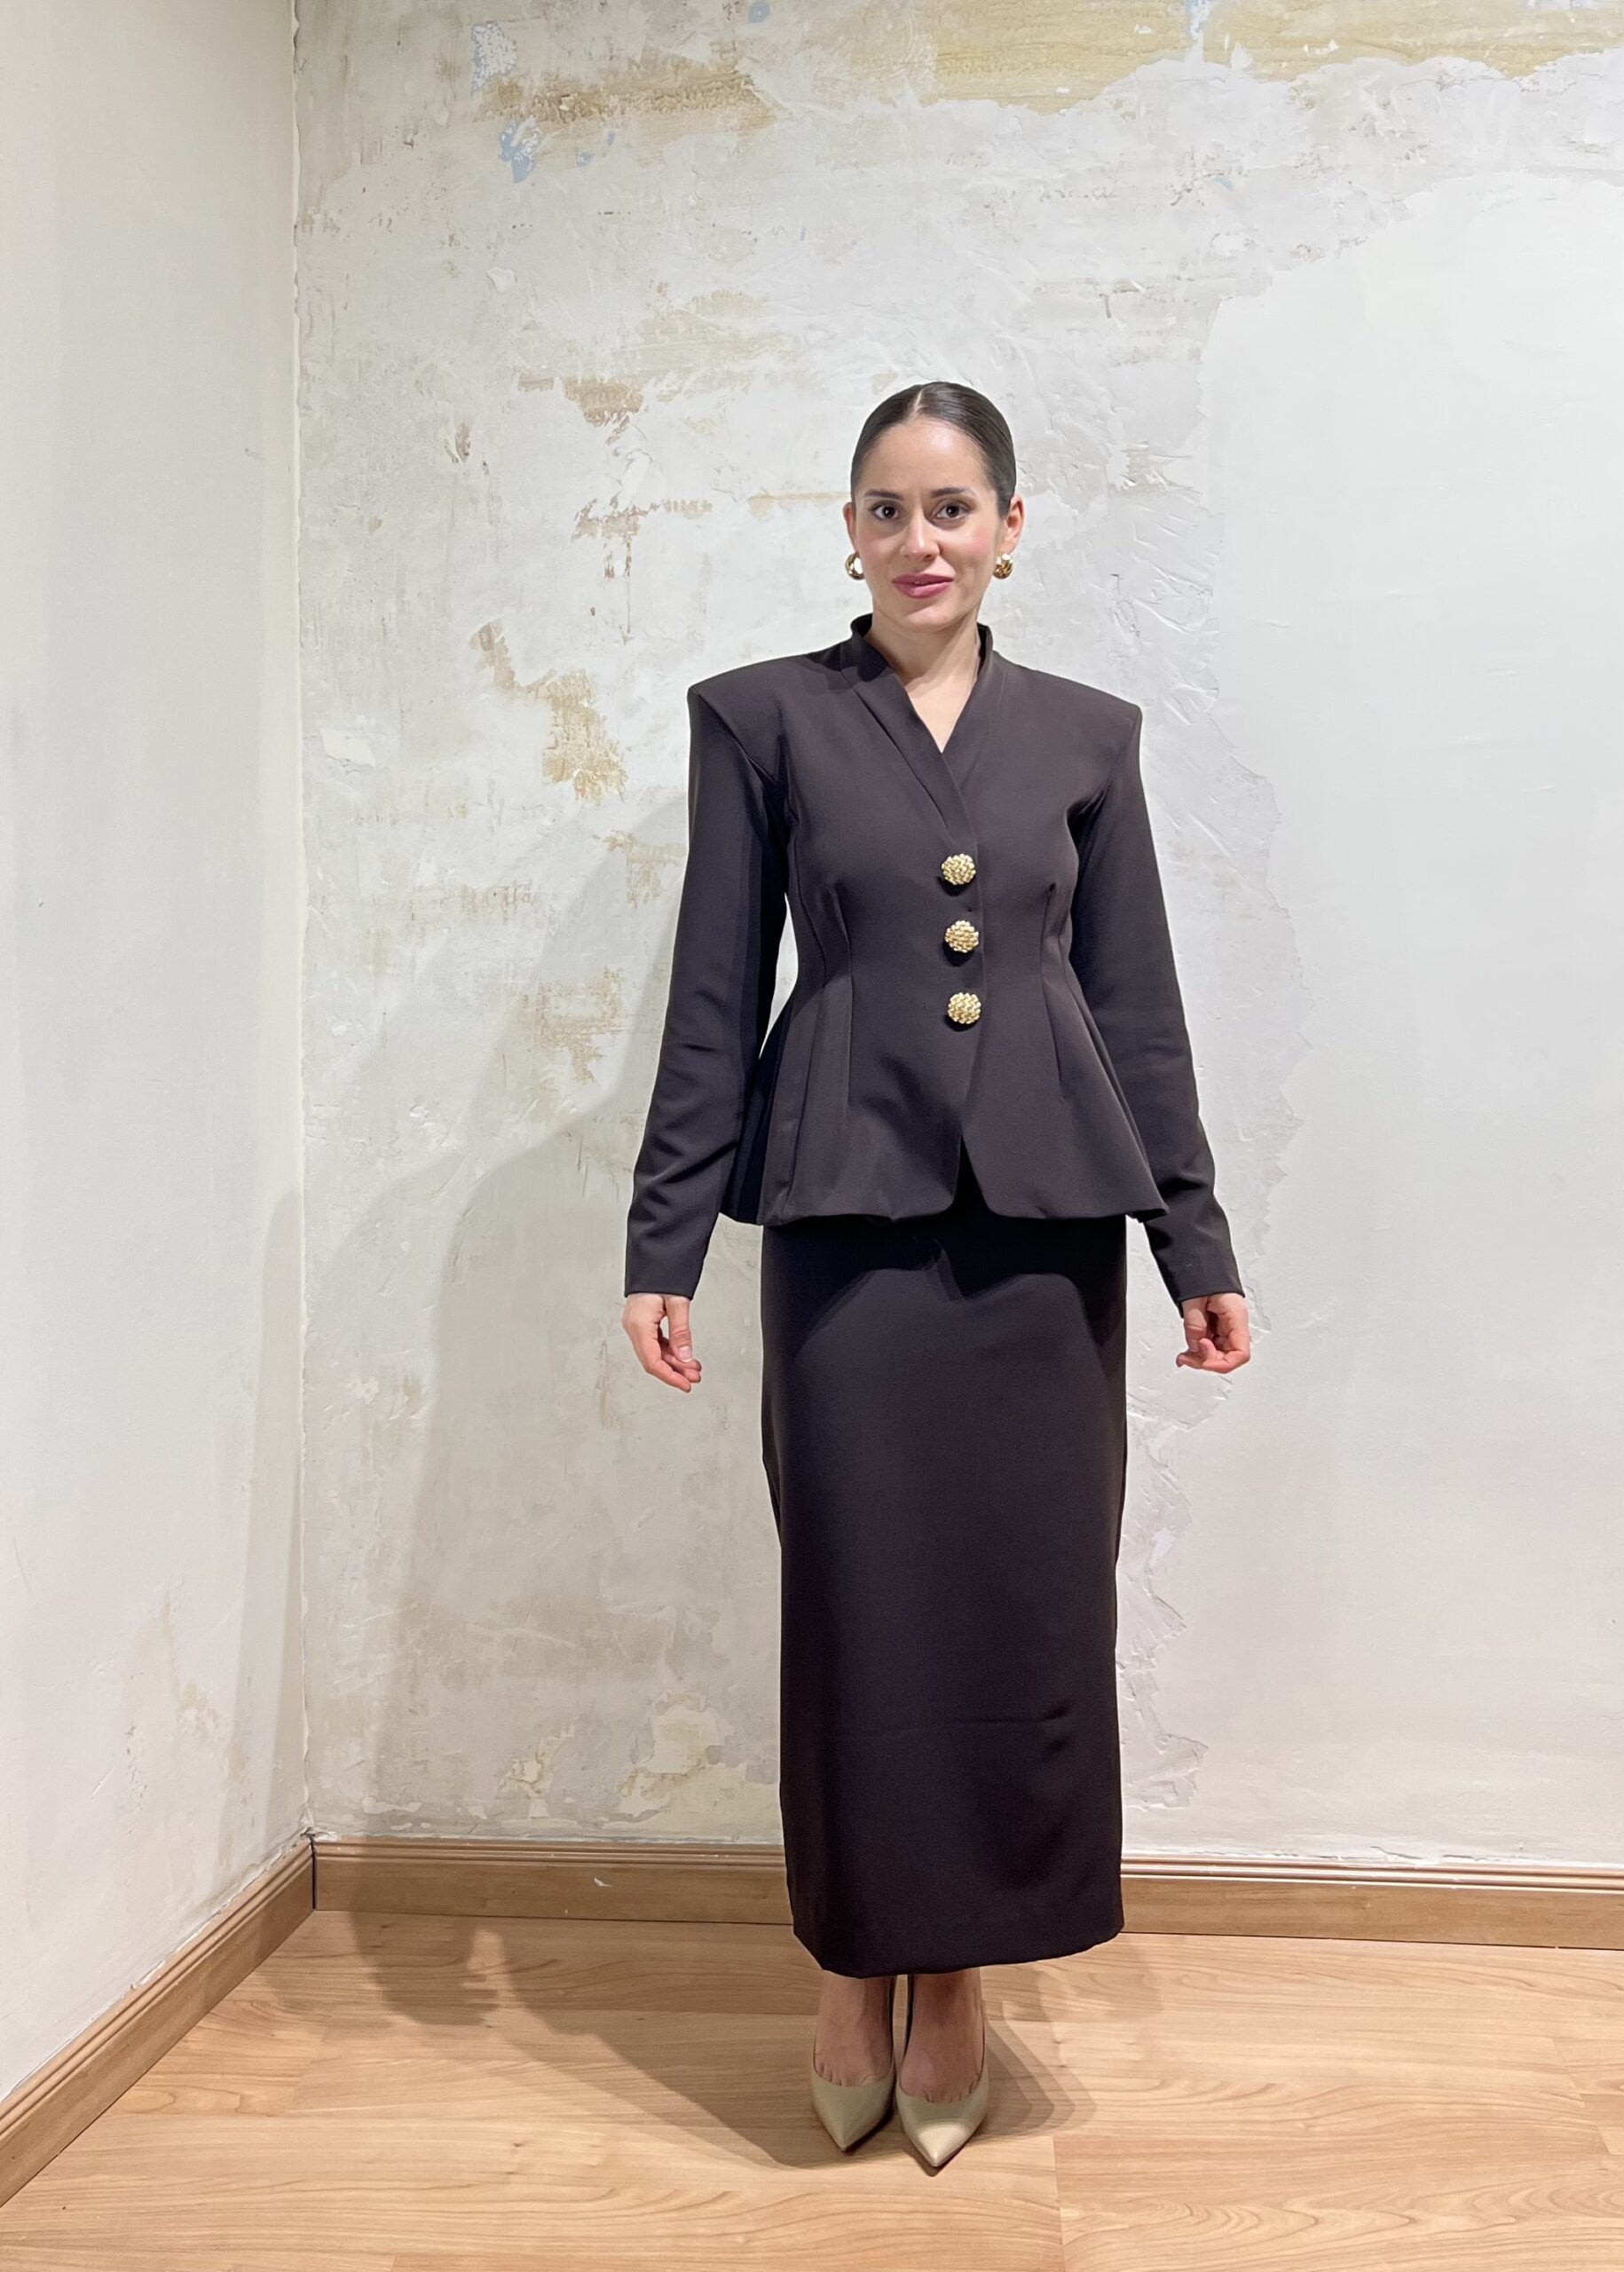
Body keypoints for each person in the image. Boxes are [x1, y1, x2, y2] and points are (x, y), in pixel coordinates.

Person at [621, 380, 1251, 2167]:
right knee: (860, 1605)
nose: (921, 540)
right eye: (889, 509)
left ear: (1009, 529)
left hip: (1043, 1239)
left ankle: (958, 1972)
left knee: (1017, 1604)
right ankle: (853, 1964)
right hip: (845, 1219)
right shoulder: (759, 721)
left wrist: (1190, 1237)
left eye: (954, 507)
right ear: (849, 531)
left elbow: (1132, 1003)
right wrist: (665, 1236)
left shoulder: (1090, 736)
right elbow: (714, 994)